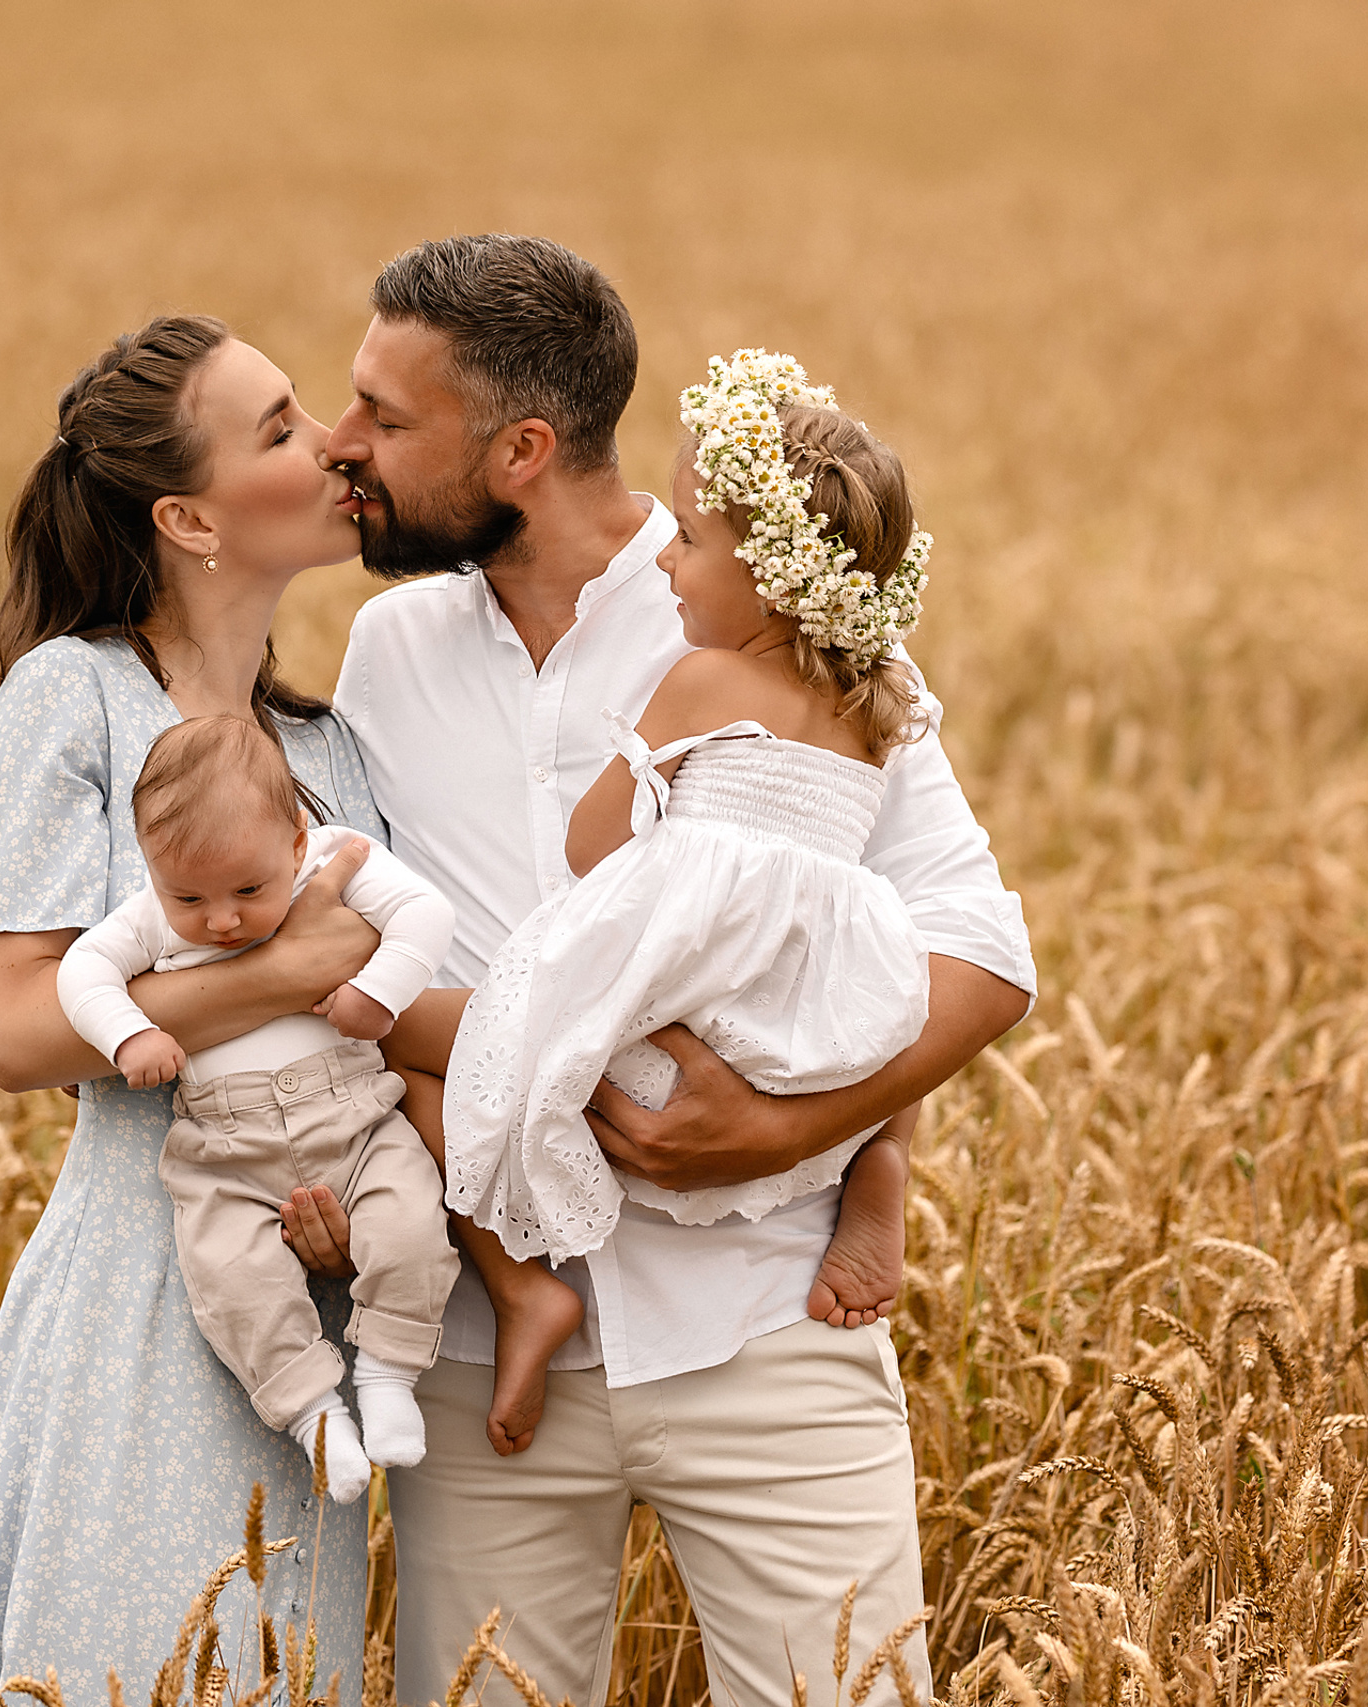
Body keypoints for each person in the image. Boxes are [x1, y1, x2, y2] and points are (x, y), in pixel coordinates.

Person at [299, 234, 1038, 1706]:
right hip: (482, 1351)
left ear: (520, 446)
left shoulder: (775, 610)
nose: (341, 443)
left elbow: (982, 949)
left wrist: (789, 1130)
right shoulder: (385, 651)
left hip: (768, 1328)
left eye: (386, 414)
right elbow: (342, 941)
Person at [0, 314, 394, 1704]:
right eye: (278, 429)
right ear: (190, 514)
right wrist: (293, 968)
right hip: (141, 1293)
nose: (332, 446)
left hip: (313, 1306)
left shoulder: (331, 746)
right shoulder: (69, 695)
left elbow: (384, 1013)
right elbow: (17, 1024)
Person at [443, 353, 943, 1394]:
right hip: (805, 1016)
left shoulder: (703, 679)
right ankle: (879, 1162)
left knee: (420, 1031)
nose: (664, 560)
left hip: (681, 1003)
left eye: (691, 538)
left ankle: (514, 1273)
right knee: (889, 1005)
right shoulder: (879, 694)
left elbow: (593, 847)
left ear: (771, 575)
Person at [57, 714, 459, 1503]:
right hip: (224, 1149)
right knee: (234, 1282)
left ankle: (386, 1372)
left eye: (248, 889)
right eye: (190, 896)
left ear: (297, 840)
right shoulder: (147, 914)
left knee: (412, 1225)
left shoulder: (335, 857)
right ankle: (313, 1414)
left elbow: (426, 914)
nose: (222, 920)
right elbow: (82, 972)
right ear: (152, 868)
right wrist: (128, 1034)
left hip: (356, 1120)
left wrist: (379, 995)